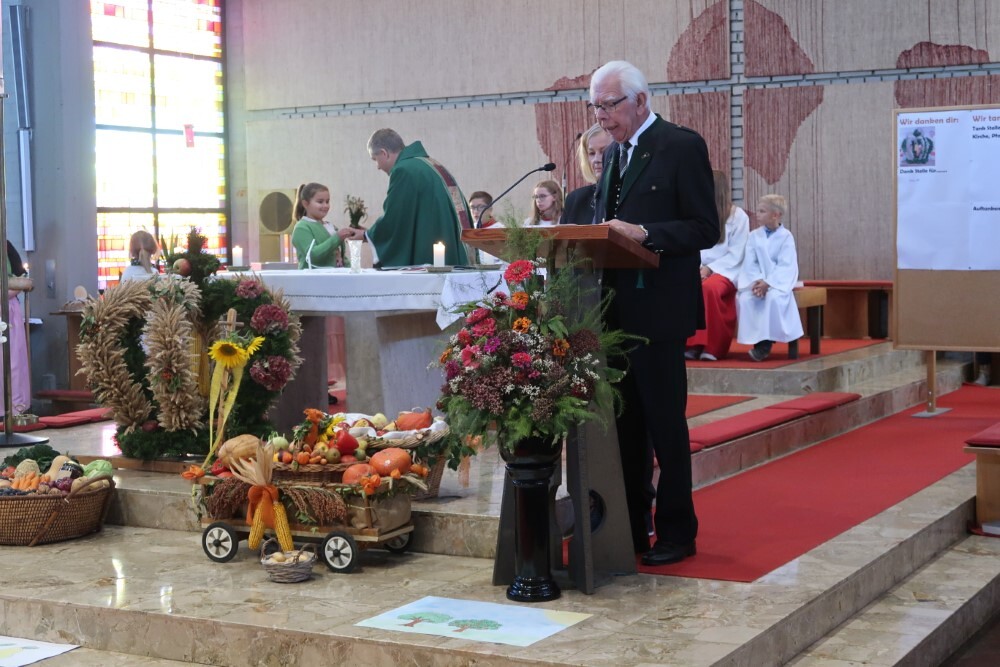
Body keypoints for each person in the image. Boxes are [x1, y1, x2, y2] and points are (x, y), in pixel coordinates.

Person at [590, 60, 720, 565]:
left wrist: (646, 234)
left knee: (665, 427)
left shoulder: (680, 146)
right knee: (626, 430)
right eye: (596, 107)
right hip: (614, 313)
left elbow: (705, 228)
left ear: (640, 100)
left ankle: (677, 533)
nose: (602, 117)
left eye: (609, 105)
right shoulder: (613, 154)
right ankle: (630, 528)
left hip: (660, 313)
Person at [365, 128, 470, 267]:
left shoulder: (403, 171)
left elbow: (395, 218)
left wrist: (368, 235)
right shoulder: (430, 164)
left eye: (375, 159)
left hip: (431, 251)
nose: (377, 166)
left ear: (384, 153)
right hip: (454, 248)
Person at [685, 170, 750, 361]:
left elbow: (737, 253)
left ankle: (713, 347)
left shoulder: (738, 217)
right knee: (686, 285)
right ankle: (692, 344)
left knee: (709, 289)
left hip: (726, 270)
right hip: (699, 267)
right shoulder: (698, 214)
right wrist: (698, 267)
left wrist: (710, 269)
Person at [736, 194, 803, 361]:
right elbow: (750, 263)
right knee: (746, 298)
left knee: (773, 298)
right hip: (757, 282)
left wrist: (769, 282)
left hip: (778, 283)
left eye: (762, 211)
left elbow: (786, 265)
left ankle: (764, 346)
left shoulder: (786, 237)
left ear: (775, 215)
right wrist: (758, 282)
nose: (757, 214)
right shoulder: (754, 236)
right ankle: (758, 343)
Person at [290, 182, 360, 269]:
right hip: (314, 277)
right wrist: (337, 237)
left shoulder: (331, 226)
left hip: (336, 276)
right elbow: (312, 256)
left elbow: (340, 257)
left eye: (327, 201)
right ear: (305, 204)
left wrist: (351, 270)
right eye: (320, 202)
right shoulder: (302, 228)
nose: (325, 205)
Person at [561, 123, 613, 225]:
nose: (596, 160)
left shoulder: (630, 195)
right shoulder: (575, 199)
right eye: (592, 153)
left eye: (603, 151)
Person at [2, 242, 32, 416]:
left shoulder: (5, 246)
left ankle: (14, 408)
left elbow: (20, 277)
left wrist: (4, 294)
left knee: (12, 361)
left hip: (8, 309)